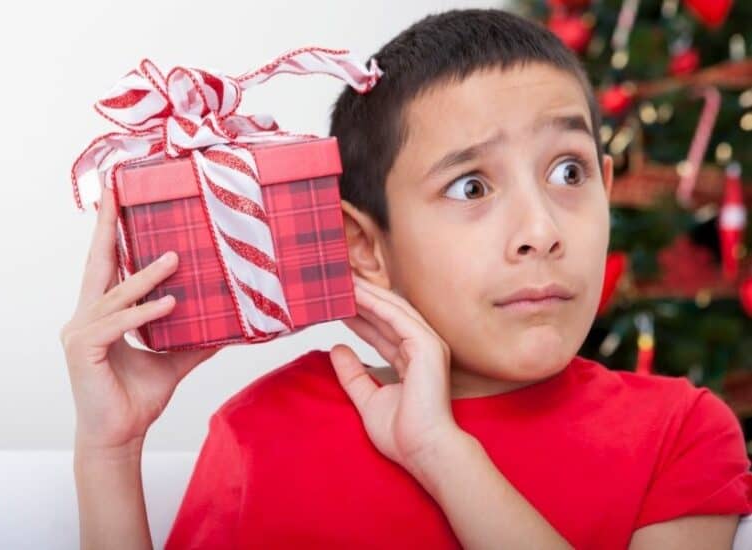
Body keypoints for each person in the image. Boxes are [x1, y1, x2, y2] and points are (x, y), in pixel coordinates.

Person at [60, 8, 752, 549]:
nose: (541, 229)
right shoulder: (262, 432)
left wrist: (441, 454)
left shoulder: (681, 432)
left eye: (568, 173)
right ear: (363, 244)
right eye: (471, 186)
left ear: (607, 189)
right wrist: (109, 453)